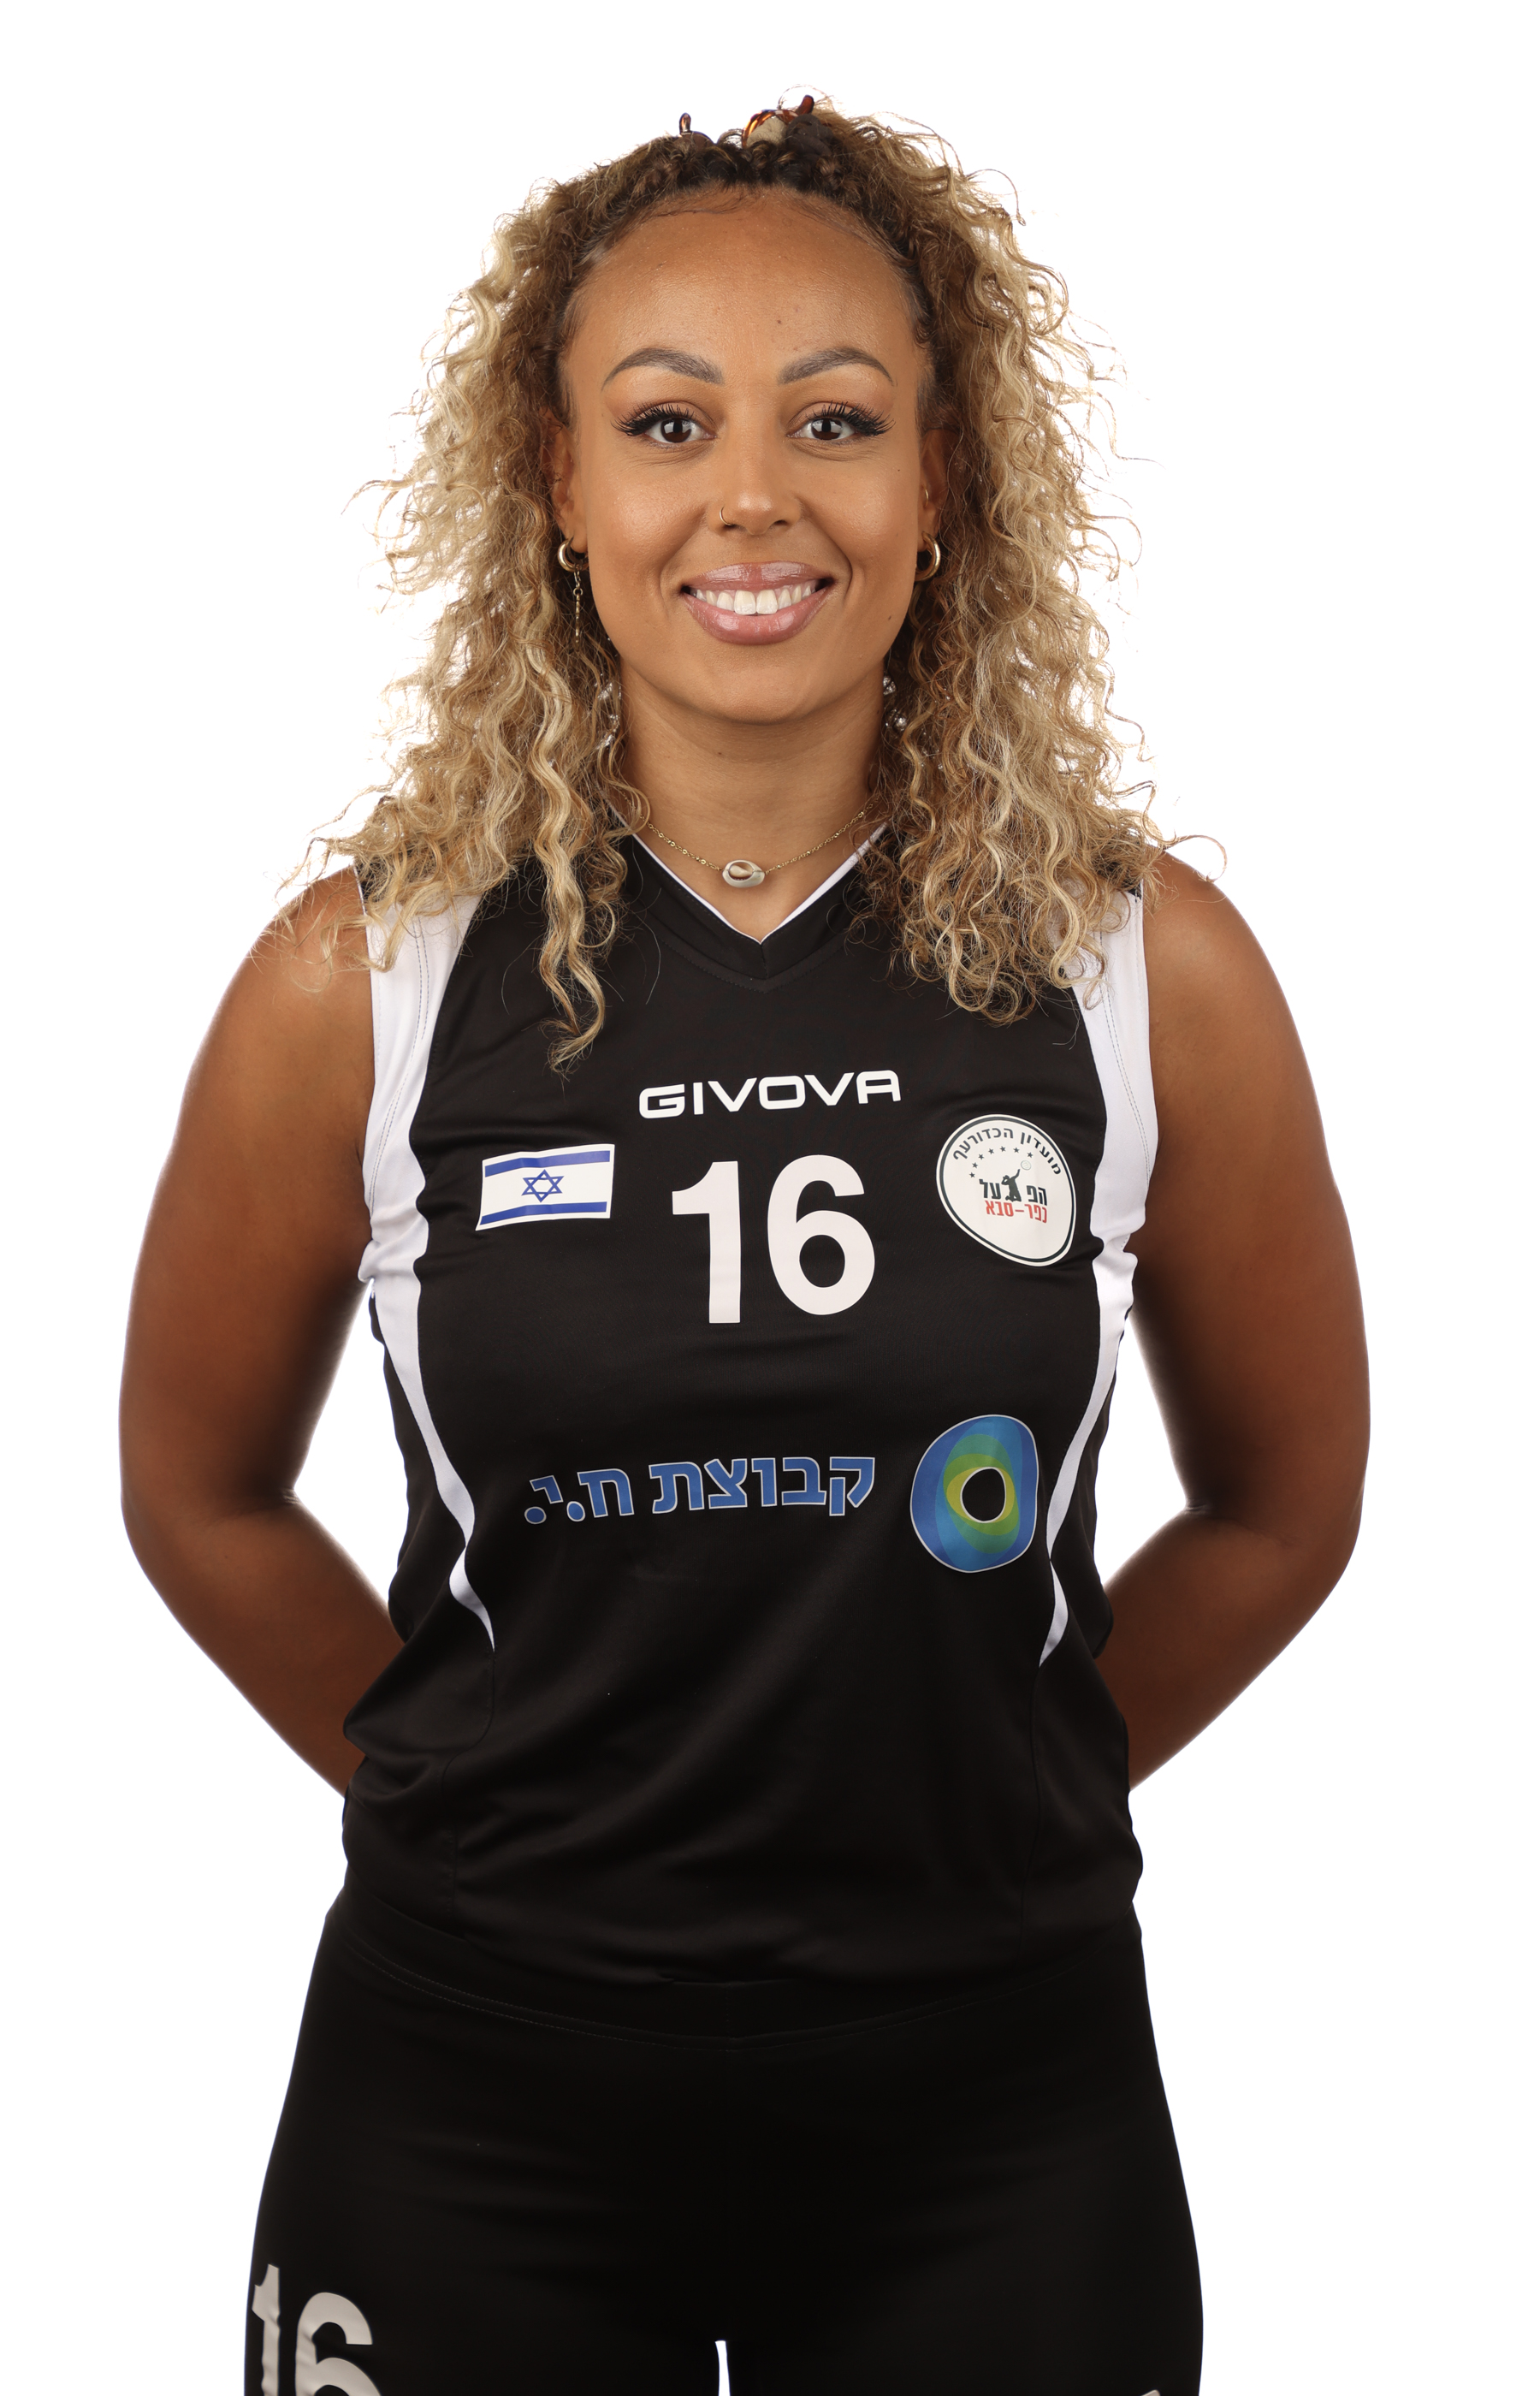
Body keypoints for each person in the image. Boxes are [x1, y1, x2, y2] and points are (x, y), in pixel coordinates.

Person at [120, 97, 1368, 2396]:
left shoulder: (1138, 965)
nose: (756, 496)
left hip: (996, 2106)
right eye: (669, 422)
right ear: (558, 483)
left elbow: (1290, 1504)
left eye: (839, 420)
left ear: (943, 478)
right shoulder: (367, 982)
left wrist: (1002, 1792)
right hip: (473, 2092)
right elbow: (194, 1491)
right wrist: (475, 1807)